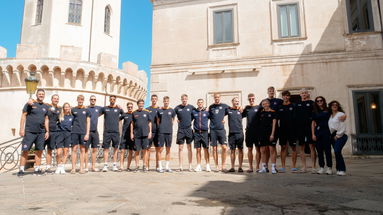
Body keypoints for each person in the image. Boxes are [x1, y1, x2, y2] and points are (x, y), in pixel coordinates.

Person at [18, 89, 50, 176]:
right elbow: (23, 116)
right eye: (39, 94)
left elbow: (46, 119)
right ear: (36, 95)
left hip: (41, 132)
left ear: (44, 95)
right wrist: (21, 129)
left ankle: (37, 169)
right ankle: (21, 170)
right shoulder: (30, 104)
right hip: (29, 131)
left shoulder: (46, 107)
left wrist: (47, 131)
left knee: (39, 151)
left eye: (42, 94)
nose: (41, 95)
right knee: (25, 150)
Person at [278, 91, 300, 173]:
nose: (286, 97)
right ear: (282, 97)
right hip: (282, 130)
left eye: (287, 96)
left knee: (293, 148)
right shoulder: (280, 107)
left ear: (289, 97)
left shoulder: (293, 106)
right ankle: (283, 167)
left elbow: (297, 119)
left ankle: (293, 166)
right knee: (283, 148)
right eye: (284, 96)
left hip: (292, 130)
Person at [101, 95, 124, 172]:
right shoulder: (105, 108)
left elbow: (123, 115)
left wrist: (118, 118)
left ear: (115, 100)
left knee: (115, 148)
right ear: (109, 100)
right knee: (106, 149)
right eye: (111, 99)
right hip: (107, 131)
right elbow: (97, 112)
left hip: (116, 132)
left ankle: (114, 165)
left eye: (113, 99)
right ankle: (105, 165)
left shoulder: (118, 109)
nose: (112, 100)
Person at [295, 89, 315, 173]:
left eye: (305, 93)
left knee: (311, 147)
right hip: (300, 128)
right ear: (300, 94)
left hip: (310, 128)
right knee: (301, 148)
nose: (303, 94)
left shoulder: (311, 103)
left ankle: (314, 167)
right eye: (302, 93)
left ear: (308, 94)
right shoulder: (297, 104)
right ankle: (304, 167)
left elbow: (315, 115)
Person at [208, 93, 229, 172]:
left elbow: (231, 111)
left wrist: (224, 120)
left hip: (221, 130)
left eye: (218, 97)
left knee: (224, 147)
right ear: (214, 98)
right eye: (215, 97)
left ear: (220, 97)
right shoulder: (211, 107)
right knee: (214, 148)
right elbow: (208, 115)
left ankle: (223, 166)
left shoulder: (224, 106)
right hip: (213, 130)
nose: (217, 98)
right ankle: (217, 166)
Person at [312, 96, 332, 175]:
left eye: (321, 100)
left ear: (323, 101)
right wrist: (313, 134)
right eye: (317, 101)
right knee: (319, 151)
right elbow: (313, 123)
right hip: (318, 132)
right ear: (316, 102)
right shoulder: (314, 111)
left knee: (327, 150)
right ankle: (321, 167)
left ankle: (329, 167)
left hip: (327, 132)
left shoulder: (328, 110)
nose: (319, 102)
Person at [174, 94, 195, 171]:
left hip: (189, 129)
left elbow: (197, 114)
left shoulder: (191, 107)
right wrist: (175, 120)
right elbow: (171, 114)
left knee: (189, 147)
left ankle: (190, 166)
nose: (184, 100)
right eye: (183, 99)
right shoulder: (177, 108)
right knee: (180, 148)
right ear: (181, 99)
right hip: (181, 130)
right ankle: (180, 166)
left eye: (185, 99)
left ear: (187, 99)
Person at [242, 93, 262, 173]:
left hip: (258, 132)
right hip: (249, 131)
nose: (251, 100)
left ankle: (257, 166)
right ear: (248, 99)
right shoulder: (247, 108)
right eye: (250, 99)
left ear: (254, 98)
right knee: (249, 149)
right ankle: (250, 167)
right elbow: (240, 115)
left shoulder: (259, 107)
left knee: (258, 149)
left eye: (252, 98)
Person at [131, 99, 152, 172]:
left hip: (145, 134)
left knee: (145, 151)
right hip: (137, 135)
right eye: (140, 103)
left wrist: (150, 132)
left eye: (142, 103)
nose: (141, 105)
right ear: (137, 104)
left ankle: (144, 166)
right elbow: (132, 124)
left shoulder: (147, 112)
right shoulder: (134, 113)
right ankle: (137, 166)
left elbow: (149, 123)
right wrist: (131, 133)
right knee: (137, 151)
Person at [71, 95, 90, 174]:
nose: (80, 100)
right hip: (74, 132)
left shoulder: (86, 110)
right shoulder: (73, 109)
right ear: (77, 100)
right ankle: (73, 168)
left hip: (83, 132)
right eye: (79, 99)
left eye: (82, 99)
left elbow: (88, 122)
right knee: (74, 149)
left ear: (83, 100)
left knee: (82, 150)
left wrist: (87, 133)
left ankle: (82, 168)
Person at [156, 96, 176, 173]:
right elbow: (158, 121)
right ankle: (160, 167)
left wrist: (169, 126)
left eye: (167, 101)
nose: (166, 102)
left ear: (169, 101)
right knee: (160, 149)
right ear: (163, 101)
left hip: (169, 132)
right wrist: (161, 127)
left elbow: (173, 120)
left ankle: (167, 167)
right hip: (161, 132)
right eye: (165, 101)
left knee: (168, 149)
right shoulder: (159, 110)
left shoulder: (172, 110)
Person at [328, 100, 348, 176]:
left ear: (338, 106)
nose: (334, 106)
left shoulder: (340, 114)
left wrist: (338, 135)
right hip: (332, 135)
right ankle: (339, 169)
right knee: (337, 153)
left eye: (336, 105)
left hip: (341, 135)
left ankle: (342, 169)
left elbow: (342, 126)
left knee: (336, 151)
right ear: (330, 106)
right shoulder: (330, 116)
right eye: (333, 105)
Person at [258, 99, 278, 174]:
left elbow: (274, 124)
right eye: (263, 104)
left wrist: (272, 134)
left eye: (266, 103)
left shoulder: (273, 112)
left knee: (271, 150)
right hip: (262, 133)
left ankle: (273, 167)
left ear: (269, 104)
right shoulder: (261, 113)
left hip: (271, 133)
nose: (265, 105)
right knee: (262, 150)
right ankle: (264, 168)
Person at [192, 99, 211, 172]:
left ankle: (207, 165)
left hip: (205, 133)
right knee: (198, 150)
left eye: (201, 102)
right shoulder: (194, 112)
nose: (200, 103)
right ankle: (198, 165)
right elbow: (188, 119)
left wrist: (222, 120)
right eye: (199, 102)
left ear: (203, 103)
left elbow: (214, 118)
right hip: (196, 133)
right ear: (197, 103)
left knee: (206, 149)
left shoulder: (207, 112)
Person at [226, 97, 244, 173]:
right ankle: (232, 167)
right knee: (232, 150)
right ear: (232, 102)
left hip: (240, 133)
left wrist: (242, 108)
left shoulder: (241, 110)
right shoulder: (228, 110)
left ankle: (240, 167)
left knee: (240, 150)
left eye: (238, 101)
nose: (237, 102)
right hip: (231, 134)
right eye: (235, 101)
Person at [55, 102, 73, 174]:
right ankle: (59, 165)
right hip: (60, 134)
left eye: (68, 107)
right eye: (65, 107)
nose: (67, 108)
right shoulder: (59, 116)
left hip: (68, 134)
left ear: (70, 108)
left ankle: (62, 167)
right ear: (63, 108)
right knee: (58, 152)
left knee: (66, 151)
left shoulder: (72, 117)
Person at [87, 95, 103, 172]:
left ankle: (93, 167)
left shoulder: (98, 108)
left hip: (95, 131)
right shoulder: (86, 108)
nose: (93, 100)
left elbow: (107, 109)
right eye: (91, 99)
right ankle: (86, 167)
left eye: (94, 99)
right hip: (87, 132)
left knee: (94, 150)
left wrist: (117, 106)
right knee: (86, 150)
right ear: (89, 100)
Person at [119, 102, 135, 171]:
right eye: (129, 107)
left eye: (131, 107)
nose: (130, 108)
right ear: (127, 107)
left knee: (130, 152)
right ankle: (121, 166)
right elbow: (118, 120)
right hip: (124, 136)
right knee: (122, 151)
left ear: (133, 107)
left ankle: (128, 167)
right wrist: (120, 129)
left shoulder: (135, 114)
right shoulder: (124, 114)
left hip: (131, 136)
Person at [147, 94, 160, 170]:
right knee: (147, 149)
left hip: (158, 132)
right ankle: (147, 166)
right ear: (151, 100)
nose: (154, 100)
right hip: (149, 132)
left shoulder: (160, 109)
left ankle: (158, 166)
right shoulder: (147, 109)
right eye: (153, 98)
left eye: (155, 98)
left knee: (158, 149)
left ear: (157, 100)